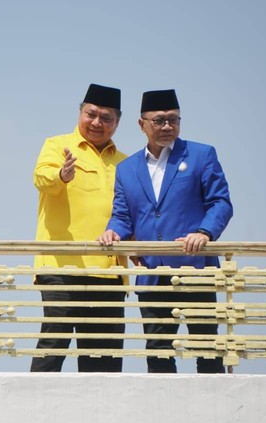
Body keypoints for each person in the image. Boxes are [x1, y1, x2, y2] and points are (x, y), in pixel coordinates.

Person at [99, 89, 233, 373]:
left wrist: (205, 232)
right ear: (142, 124)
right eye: (159, 121)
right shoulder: (126, 169)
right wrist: (113, 232)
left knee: (207, 350)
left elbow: (220, 203)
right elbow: (122, 215)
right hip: (153, 274)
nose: (168, 127)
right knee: (158, 353)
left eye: (174, 120)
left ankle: (213, 414)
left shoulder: (201, 155)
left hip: (196, 270)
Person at [31, 84, 129, 372]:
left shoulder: (126, 163)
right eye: (91, 114)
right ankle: (34, 413)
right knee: (52, 347)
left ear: (117, 122)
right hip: (61, 267)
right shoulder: (57, 145)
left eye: (106, 117)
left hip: (108, 271)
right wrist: (62, 174)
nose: (97, 122)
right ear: (80, 113)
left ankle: (102, 418)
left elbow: (130, 213)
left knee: (104, 359)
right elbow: (41, 178)